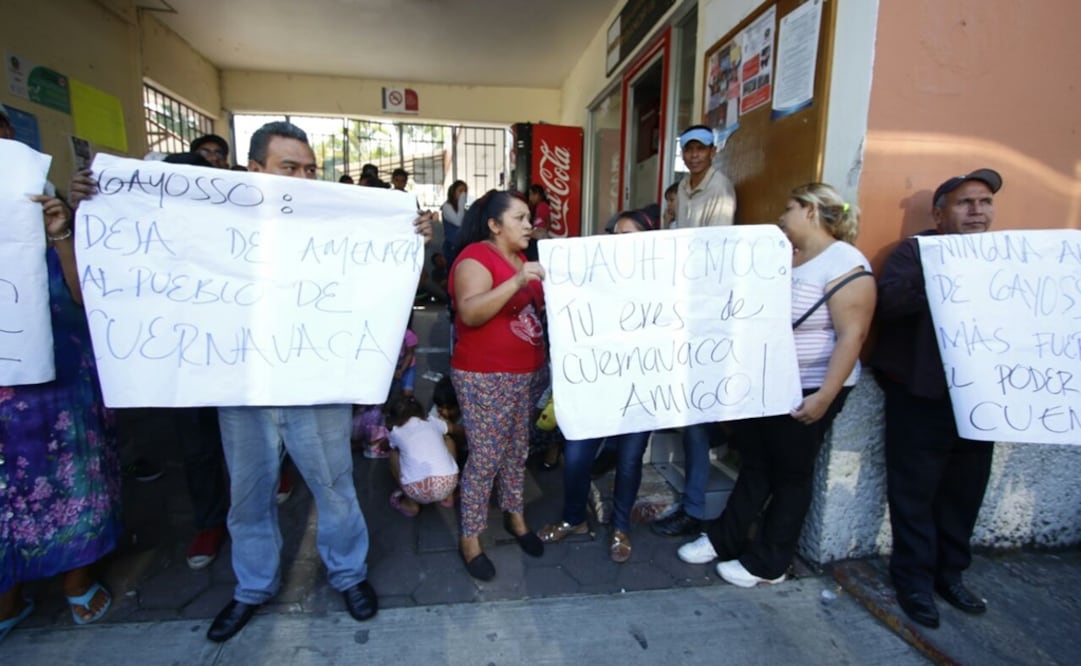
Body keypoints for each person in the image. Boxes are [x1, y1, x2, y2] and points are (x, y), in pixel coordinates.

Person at [198, 121, 431, 642]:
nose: (303, 179)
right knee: (249, 494)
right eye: (289, 169)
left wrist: (408, 240)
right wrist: (102, 203)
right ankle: (252, 587)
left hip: (316, 385)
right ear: (255, 171)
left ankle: (348, 574)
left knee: (336, 489)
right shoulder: (212, 224)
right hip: (246, 389)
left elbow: (379, 283)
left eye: (310, 169)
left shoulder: (336, 223)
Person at [677, 183, 874, 588]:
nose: (781, 218)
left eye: (788, 208)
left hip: (810, 385)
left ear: (811, 211)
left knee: (791, 475)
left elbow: (852, 336)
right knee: (756, 463)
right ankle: (725, 538)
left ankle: (769, 563)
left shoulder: (845, 263)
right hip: (767, 383)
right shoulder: (788, 256)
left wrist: (824, 396)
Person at [871, 169, 1002, 629]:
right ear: (940, 213)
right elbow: (890, 304)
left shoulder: (1010, 257)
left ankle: (951, 576)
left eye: (985, 202)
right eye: (966, 203)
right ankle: (913, 582)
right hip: (922, 398)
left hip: (982, 400)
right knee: (914, 495)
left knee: (964, 493)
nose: (977, 211)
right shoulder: (916, 253)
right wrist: (949, 272)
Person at [1, 189, 120, 639]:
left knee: (74, 483)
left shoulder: (47, 214)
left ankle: (77, 579)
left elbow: (85, 294)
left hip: (61, 389)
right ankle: (7, 592)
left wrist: (62, 233)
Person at [539, 209, 658, 563]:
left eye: (628, 236)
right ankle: (573, 518)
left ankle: (621, 527)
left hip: (640, 385)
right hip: (594, 385)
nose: (618, 243)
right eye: (614, 235)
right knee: (576, 455)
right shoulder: (591, 276)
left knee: (630, 459)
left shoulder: (662, 283)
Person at [449, 189, 547, 580]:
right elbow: (470, 312)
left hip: (526, 372)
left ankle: (515, 516)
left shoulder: (520, 257)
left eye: (529, 218)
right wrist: (518, 280)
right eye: (520, 218)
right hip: (487, 376)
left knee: (517, 449)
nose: (529, 224)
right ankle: (470, 538)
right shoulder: (476, 257)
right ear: (494, 225)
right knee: (486, 456)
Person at [651, 125, 738, 538]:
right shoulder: (684, 187)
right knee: (688, 414)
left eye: (701, 149)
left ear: (713, 151)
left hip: (703, 305)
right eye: (688, 149)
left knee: (696, 417)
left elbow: (711, 253)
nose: (694, 155)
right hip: (682, 302)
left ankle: (695, 507)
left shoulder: (719, 190)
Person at [385, 396, 459, 517]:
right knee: (449, 440)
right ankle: (449, 497)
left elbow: (388, 446)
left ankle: (411, 504)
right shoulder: (432, 421)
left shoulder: (396, 432)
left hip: (416, 491)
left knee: (393, 454)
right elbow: (453, 429)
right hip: (448, 484)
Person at [430, 375, 467, 466]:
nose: (445, 413)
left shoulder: (468, 413)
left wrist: (451, 428)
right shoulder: (436, 410)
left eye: (449, 408)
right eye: (441, 408)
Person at [441, 180, 468, 265]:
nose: (463, 194)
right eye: (460, 191)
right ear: (453, 192)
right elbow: (458, 222)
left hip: (461, 246)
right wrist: (461, 202)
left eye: (465, 192)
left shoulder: (463, 210)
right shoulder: (447, 207)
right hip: (452, 247)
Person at [524, 184, 551, 261]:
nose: (530, 197)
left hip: (539, 236)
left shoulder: (543, 206)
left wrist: (543, 232)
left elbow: (548, 222)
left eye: (532, 195)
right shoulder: (536, 206)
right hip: (535, 235)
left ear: (539, 195)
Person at [394, 319, 418, 398]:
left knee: (407, 393)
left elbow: (409, 355)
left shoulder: (409, 335)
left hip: (407, 366)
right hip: (391, 367)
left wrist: (401, 371)